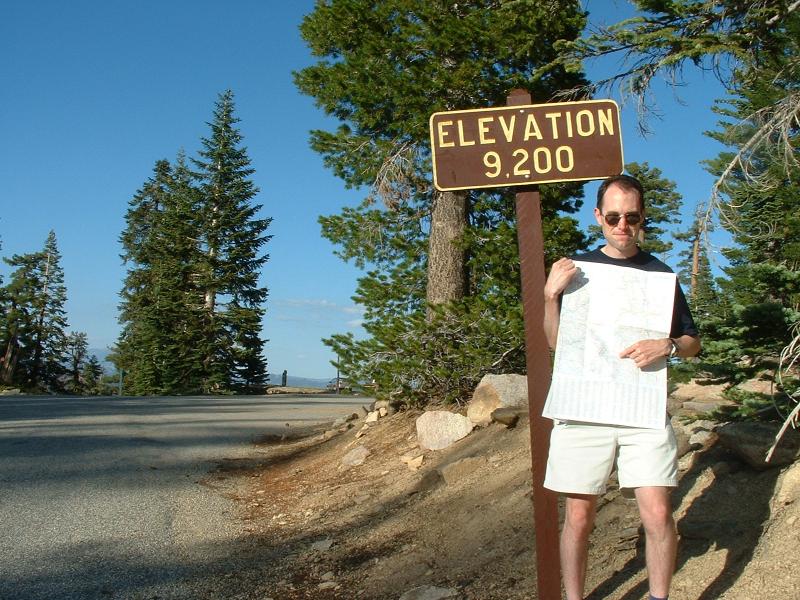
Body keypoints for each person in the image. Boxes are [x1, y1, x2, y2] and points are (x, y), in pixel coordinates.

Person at [542, 174, 701, 600]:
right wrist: (549, 297)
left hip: (641, 408)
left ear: (641, 216)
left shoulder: (660, 274)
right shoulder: (575, 270)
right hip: (585, 408)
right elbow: (554, 341)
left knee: (658, 511)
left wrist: (666, 345)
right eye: (613, 216)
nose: (622, 225)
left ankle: (658, 597)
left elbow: (692, 342)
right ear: (598, 216)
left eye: (631, 216)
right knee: (578, 515)